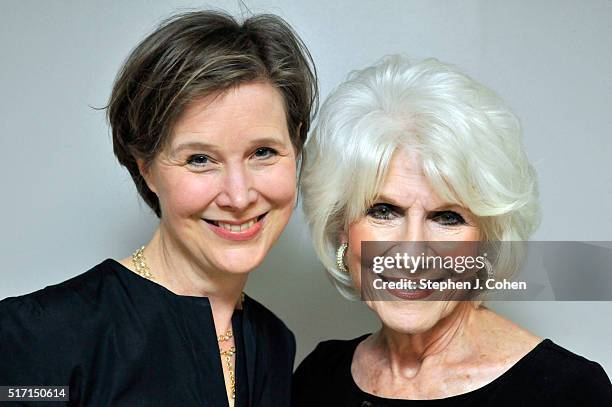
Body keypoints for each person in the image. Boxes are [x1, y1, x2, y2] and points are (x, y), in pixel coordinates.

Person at [0, 10, 317, 407]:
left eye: (263, 152)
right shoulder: (35, 335)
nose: (238, 196)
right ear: (146, 167)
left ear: (297, 149)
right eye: (200, 159)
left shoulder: (274, 343)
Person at [294, 56, 612, 405]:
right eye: (383, 211)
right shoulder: (317, 378)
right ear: (342, 230)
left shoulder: (569, 392)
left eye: (447, 217)